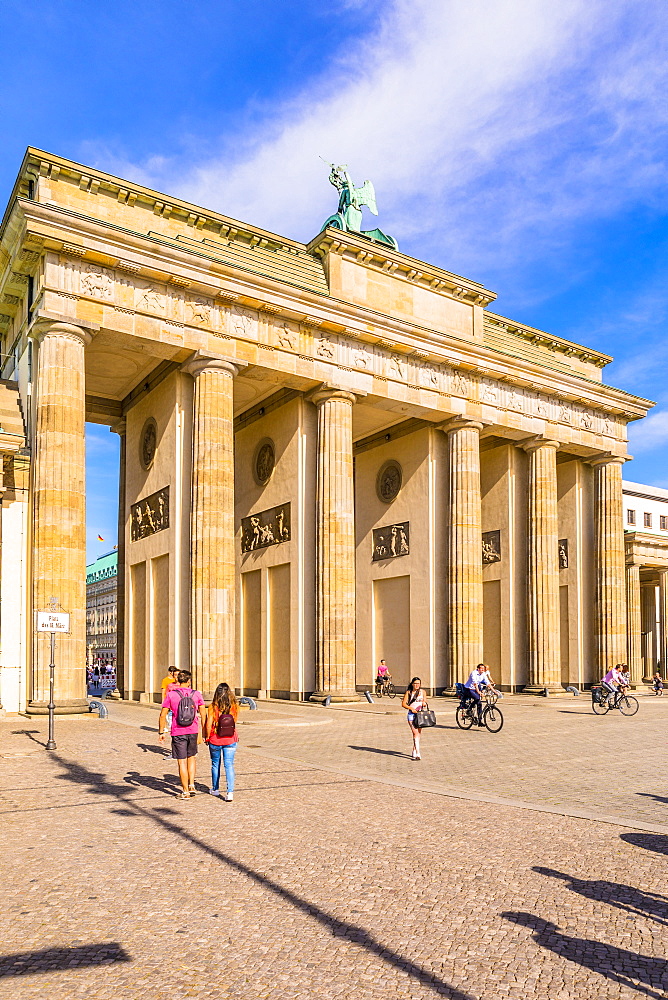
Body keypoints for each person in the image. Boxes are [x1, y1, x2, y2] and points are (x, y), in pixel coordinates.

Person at [158, 670, 206, 799]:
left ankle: (185, 792)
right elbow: (203, 713)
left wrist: (161, 731)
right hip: (193, 730)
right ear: (189, 681)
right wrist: (204, 730)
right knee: (192, 758)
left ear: (177, 681)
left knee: (181, 761)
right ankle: (191, 785)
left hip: (178, 731)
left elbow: (163, 714)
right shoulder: (197, 694)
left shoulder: (172, 695)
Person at [203, 682, 239, 801]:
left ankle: (215, 789)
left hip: (215, 739)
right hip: (230, 739)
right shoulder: (234, 706)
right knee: (229, 765)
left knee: (215, 764)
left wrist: (207, 737)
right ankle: (230, 792)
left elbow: (208, 725)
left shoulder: (213, 707)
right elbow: (234, 722)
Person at [401, 676, 429, 760]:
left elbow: (425, 701)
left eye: (418, 684)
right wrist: (411, 708)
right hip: (411, 715)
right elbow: (404, 704)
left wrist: (424, 703)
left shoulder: (423, 692)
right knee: (415, 733)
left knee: (418, 733)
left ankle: (414, 750)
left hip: (420, 715)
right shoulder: (408, 693)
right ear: (412, 684)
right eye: (415, 683)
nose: (417, 685)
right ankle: (418, 753)